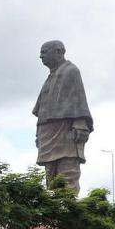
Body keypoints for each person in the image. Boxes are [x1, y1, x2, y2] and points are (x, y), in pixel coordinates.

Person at [33, 40, 93, 193]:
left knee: (67, 175)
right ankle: (54, 213)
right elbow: (41, 110)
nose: (41, 56)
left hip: (65, 131)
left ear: (58, 51)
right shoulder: (50, 76)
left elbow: (78, 100)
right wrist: (38, 135)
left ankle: (68, 212)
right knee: (51, 180)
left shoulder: (70, 71)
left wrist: (80, 123)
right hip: (48, 133)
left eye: (44, 52)